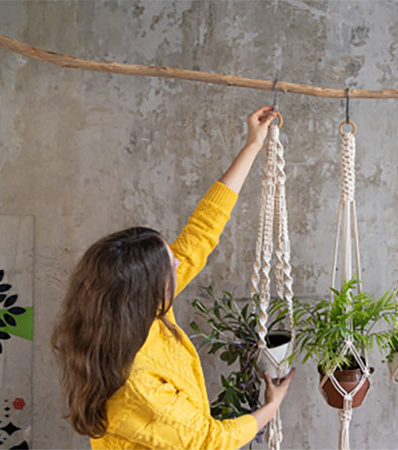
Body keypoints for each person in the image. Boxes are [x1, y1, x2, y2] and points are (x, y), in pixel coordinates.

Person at [51, 106, 295, 449]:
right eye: (170, 266)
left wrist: (253, 145)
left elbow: (201, 232)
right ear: (147, 289)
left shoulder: (136, 315)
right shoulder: (135, 382)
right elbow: (209, 440)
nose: (179, 266)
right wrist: (272, 407)